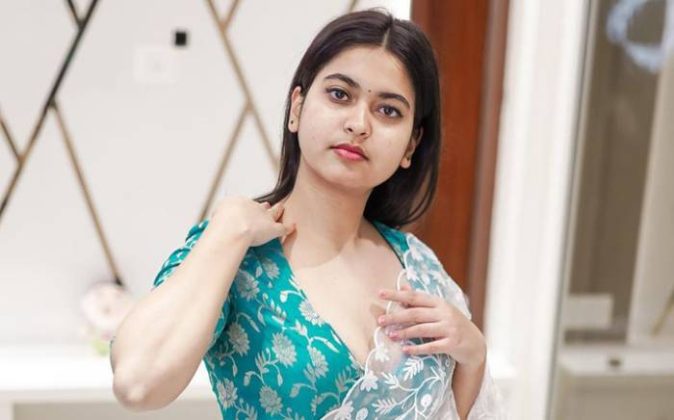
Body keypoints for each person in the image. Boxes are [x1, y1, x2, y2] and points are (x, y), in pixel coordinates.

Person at [110, 9, 505, 419]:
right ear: (297, 107)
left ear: (410, 145)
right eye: (340, 95)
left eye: (388, 111)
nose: (359, 124)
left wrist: (473, 354)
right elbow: (137, 384)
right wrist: (228, 227)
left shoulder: (419, 265)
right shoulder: (238, 253)